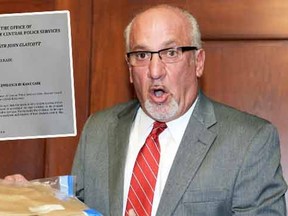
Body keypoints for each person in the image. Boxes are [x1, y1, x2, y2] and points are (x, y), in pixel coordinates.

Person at [5, 4, 287, 216]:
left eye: (171, 53)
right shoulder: (99, 129)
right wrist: (30, 199)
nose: (154, 71)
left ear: (198, 62)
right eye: (141, 55)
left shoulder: (250, 142)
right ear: (130, 70)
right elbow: (78, 209)